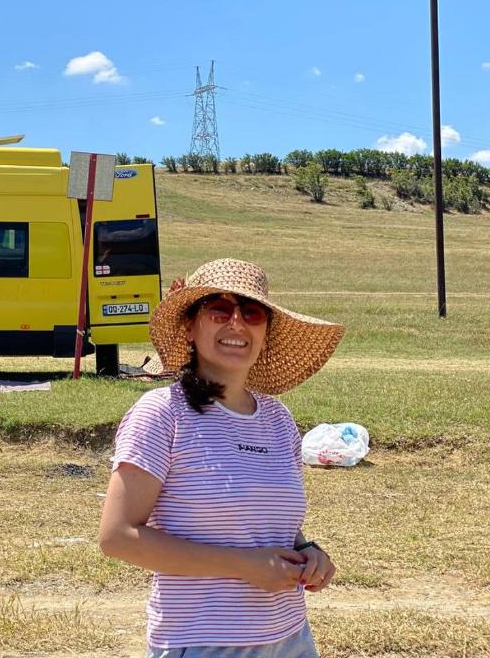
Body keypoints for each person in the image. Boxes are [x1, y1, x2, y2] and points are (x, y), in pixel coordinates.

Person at [98, 258, 345, 657]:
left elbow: (261, 524)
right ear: (190, 327)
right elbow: (117, 537)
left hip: (290, 638)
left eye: (251, 312)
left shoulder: (278, 420)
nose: (236, 323)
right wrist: (246, 566)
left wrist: (309, 552)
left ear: (265, 333)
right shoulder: (162, 414)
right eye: (219, 310)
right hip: (202, 642)